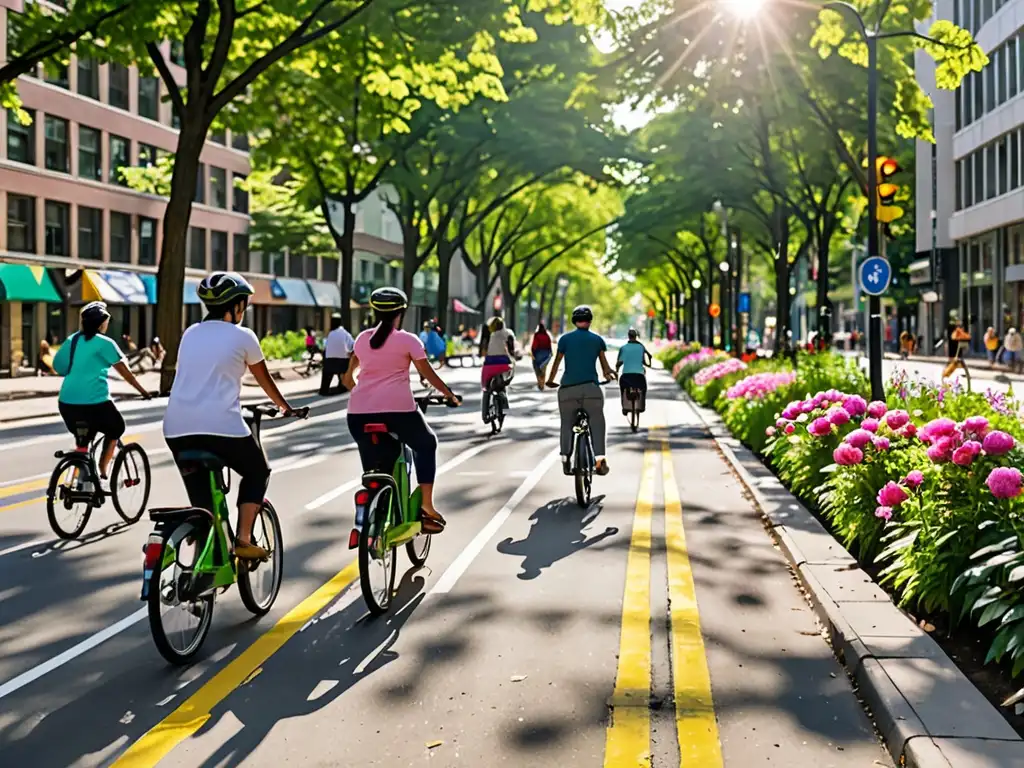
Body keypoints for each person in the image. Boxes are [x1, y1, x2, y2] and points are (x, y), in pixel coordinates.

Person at [163, 272, 304, 560]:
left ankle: (207, 559)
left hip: (176, 429)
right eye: (245, 304)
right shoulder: (244, 336)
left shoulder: (190, 333)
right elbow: (265, 380)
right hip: (221, 428)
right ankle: (243, 539)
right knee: (257, 471)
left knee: (203, 507)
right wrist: (286, 407)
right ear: (236, 306)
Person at [343, 287, 460, 534]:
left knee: (375, 469)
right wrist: (449, 395)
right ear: (401, 312)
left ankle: (368, 512)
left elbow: (347, 379)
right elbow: (427, 373)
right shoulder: (408, 340)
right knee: (427, 443)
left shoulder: (362, 339)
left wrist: (364, 394)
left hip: (358, 415)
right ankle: (427, 506)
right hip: (399, 413)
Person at [53, 302, 150, 487]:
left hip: (67, 402)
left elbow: (59, 367)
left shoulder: (72, 340)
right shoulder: (105, 343)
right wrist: (144, 391)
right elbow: (125, 372)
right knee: (116, 428)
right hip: (95, 403)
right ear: (101, 324)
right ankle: (103, 467)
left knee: (83, 440)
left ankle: (78, 481)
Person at [546, 305, 616, 477]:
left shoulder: (564, 340)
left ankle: (565, 457)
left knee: (566, 423)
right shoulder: (597, 340)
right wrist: (610, 374)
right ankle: (600, 459)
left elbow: (556, 364)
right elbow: (605, 367)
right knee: (597, 421)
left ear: (574, 321)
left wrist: (550, 380)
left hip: (568, 391)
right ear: (590, 321)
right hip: (591, 389)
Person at [481, 316, 516, 421]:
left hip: (489, 365)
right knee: (503, 386)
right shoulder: (508, 334)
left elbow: (483, 351)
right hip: (504, 365)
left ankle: (485, 414)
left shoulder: (488, 336)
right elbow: (512, 351)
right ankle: (505, 409)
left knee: (486, 388)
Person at [616, 329, 652, 414]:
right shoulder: (641, 347)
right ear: (636, 336)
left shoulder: (623, 348)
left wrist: (616, 371)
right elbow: (643, 362)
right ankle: (641, 406)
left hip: (626, 376)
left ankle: (624, 408)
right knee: (643, 389)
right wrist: (648, 365)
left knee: (623, 389)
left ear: (628, 336)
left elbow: (618, 363)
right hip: (639, 376)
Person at [321, 314, 354, 395]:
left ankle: (324, 389)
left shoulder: (330, 334)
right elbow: (352, 346)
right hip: (342, 363)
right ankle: (342, 386)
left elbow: (325, 347)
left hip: (329, 362)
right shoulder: (345, 333)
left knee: (326, 372)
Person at [530, 322, 553, 391]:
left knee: (537, 369)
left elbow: (534, 345)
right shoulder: (547, 335)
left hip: (538, 353)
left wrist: (533, 353)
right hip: (546, 354)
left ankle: (540, 384)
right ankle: (542, 385)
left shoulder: (537, 335)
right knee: (543, 370)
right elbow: (550, 346)